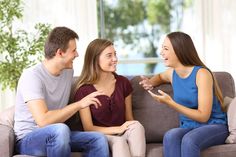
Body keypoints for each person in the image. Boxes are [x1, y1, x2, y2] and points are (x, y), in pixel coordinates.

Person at [14, 27, 109, 157]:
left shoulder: (68, 72)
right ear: (60, 53)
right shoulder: (32, 76)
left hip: (58, 135)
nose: (77, 54)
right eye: (73, 50)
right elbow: (43, 120)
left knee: (98, 139)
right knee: (60, 129)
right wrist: (79, 104)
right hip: (28, 139)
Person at [139, 32, 228, 157]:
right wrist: (150, 82)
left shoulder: (201, 74)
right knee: (170, 136)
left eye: (165, 48)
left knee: (189, 140)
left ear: (179, 50)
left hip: (214, 126)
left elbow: (203, 116)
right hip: (189, 126)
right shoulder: (172, 73)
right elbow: (160, 77)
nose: (161, 52)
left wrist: (171, 103)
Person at [73, 38, 146, 157]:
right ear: (95, 60)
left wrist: (124, 128)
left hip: (123, 130)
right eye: (109, 55)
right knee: (119, 142)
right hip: (102, 135)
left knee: (136, 126)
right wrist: (117, 129)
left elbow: (129, 118)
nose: (115, 59)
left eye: (115, 54)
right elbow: (88, 128)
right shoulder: (83, 91)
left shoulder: (123, 82)